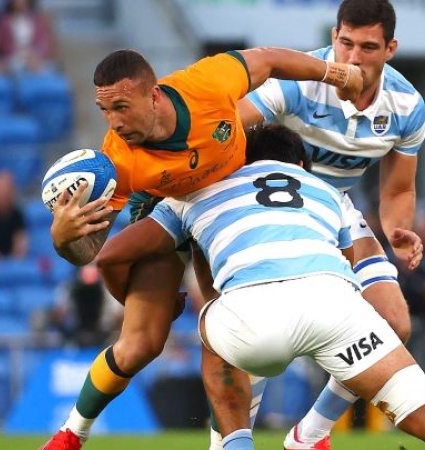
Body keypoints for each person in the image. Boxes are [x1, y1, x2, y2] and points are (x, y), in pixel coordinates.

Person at [39, 45, 363, 449]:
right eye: (104, 111)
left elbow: (269, 60)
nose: (114, 122)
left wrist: (336, 73)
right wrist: (62, 239)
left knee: (227, 330)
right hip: (167, 210)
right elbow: (94, 254)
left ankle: (231, 442)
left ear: (153, 95)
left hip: (229, 202)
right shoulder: (118, 160)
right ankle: (71, 433)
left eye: (121, 107)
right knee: (140, 345)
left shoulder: (207, 84)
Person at [96, 124, 425, 450]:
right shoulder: (329, 193)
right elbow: (349, 258)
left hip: (251, 318)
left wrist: (134, 297)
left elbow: (110, 256)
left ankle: (236, 444)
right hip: (336, 308)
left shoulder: (203, 188)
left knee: (212, 327)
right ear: (302, 164)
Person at [234, 1, 425, 448]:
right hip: (269, 211)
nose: (353, 58)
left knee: (393, 322)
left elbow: (397, 191)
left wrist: (397, 231)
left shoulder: (406, 106)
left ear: (390, 49)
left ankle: (310, 435)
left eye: (368, 47)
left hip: (335, 208)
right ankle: (230, 439)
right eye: (345, 43)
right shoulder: (297, 81)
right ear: (333, 37)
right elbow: (225, 128)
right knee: (255, 338)